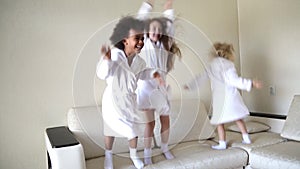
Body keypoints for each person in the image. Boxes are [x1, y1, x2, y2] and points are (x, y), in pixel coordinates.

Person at [96, 16, 161, 169]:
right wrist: (106, 60)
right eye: (137, 38)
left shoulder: (139, 61)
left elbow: (142, 74)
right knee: (110, 129)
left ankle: (133, 156)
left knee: (133, 130)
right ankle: (108, 157)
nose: (141, 42)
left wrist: (154, 74)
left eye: (142, 38)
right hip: (113, 100)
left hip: (129, 100)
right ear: (125, 40)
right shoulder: (114, 55)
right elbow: (102, 74)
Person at [184, 42, 262, 150]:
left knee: (220, 122)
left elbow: (201, 77)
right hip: (231, 97)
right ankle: (246, 138)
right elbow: (235, 81)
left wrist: (190, 85)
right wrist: (250, 83)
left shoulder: (211, 66)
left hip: (220, 98)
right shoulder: (229, 65)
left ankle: (222, 143)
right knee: (238, 118)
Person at [136, 0, 182, 165]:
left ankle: (164, 148)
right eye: (152, 29)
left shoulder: (165, 45)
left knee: (165, 121)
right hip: (146, 88)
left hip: (161, 88)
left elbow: (170, 26)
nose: (155, 31)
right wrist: (148, 4)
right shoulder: (145, 44)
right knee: (150, 123)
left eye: (158, 29)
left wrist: (168, 7)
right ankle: (147, 154)